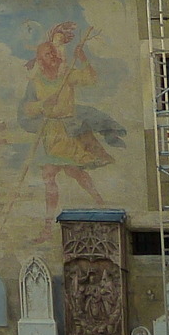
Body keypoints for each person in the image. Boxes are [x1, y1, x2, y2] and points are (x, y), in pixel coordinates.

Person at [20, 21, 110, 218]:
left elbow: (90, 79)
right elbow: (27, 108)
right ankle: (98, 203)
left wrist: (83, 58)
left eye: (54, 52)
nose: (53, 56)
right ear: (40, 60)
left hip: (67, 131)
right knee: (69, 172)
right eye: (48, 54)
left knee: (53, 173)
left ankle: (50, 220)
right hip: (51, 134)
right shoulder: (35, 83)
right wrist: (43, 104)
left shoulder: (66, 76)